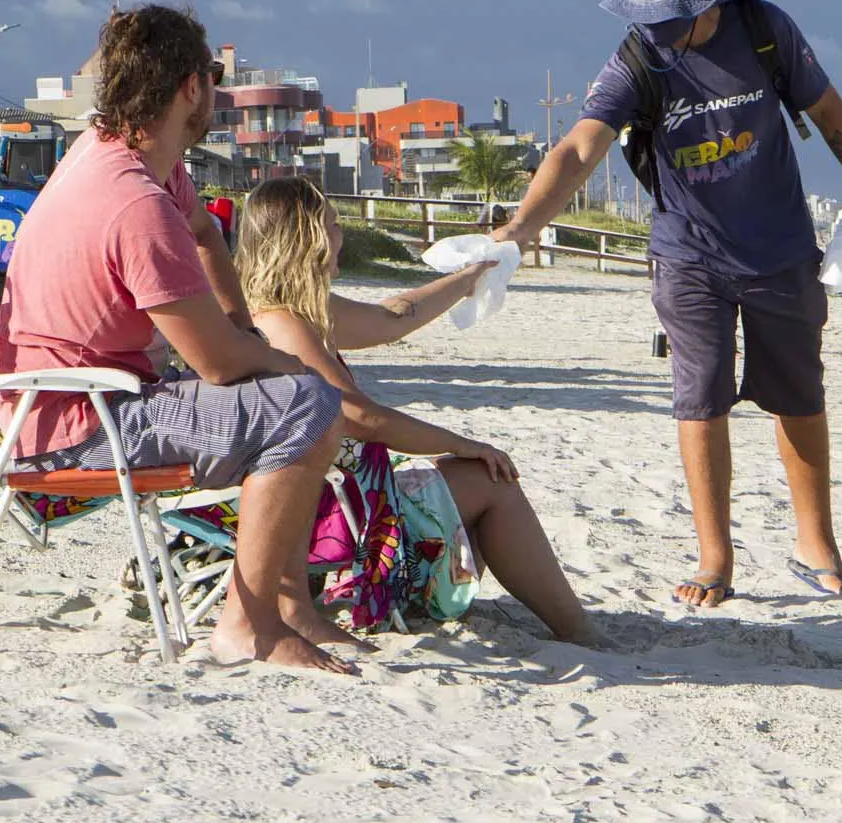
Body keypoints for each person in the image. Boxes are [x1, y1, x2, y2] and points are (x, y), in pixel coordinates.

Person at [492, 0, 842, 608]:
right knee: (700, 397)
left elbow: (830, 112)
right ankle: (715, 557)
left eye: (666, 17)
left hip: (779, 246)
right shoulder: (636, 59)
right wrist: (518, 229)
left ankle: (816, 545)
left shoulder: (762, 29)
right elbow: (578, 149)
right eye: (641, 18)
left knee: (798, 396)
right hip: (687, 254)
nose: (653, 29)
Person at [0, 4, 352, 674]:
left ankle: (292, 606)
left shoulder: (112, 154)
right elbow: (216, 364)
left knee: (295, 397)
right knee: (311, 404)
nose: (214, 90)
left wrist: (244, 325)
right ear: (191, 86)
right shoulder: (135, 203)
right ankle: (248, 625)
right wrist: (282, 360)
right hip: (82, 422)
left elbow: (209, 234)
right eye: (212, 76)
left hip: (45, 406)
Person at [235, 178, 590, 642]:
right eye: (334, 225)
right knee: (490, 479)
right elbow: (360, 417)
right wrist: (462, 443)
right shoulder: (283, 323)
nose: (341, 235)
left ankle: (451, 600)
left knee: (467, 476)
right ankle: (579, 630)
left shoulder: (292, 310)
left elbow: (392, 317)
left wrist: (468, 279)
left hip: (330, 492)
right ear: (307, 239)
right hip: (325, 509)